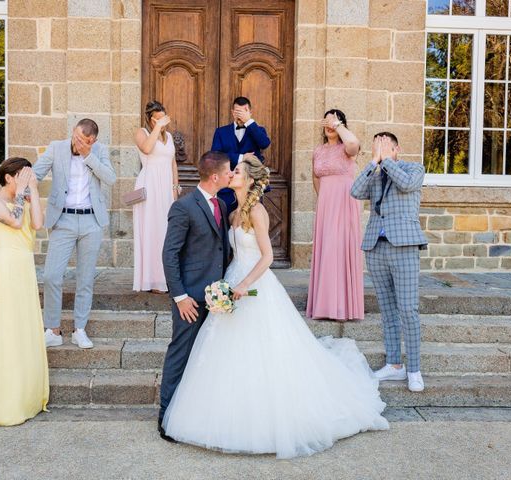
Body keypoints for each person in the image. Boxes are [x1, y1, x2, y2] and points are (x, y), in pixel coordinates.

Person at [162, 154, 388, 459]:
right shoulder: (230, 210)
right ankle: (199, 413)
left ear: (250, 179)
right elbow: (199, 252)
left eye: (237, 171)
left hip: (253, 288)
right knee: (218, 352)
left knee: (264, 353)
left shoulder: (257, 211)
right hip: (226, 286)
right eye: (231, 171)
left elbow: (266, 258)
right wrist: (212, 289)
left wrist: (243, 286)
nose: (232, 174)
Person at [158, 151, 233, 442]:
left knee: (206, 357)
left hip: (216, 298)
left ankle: (196, 416)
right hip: (189, 298)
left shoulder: (223, 205)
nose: (231, 175)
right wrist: (179, 296)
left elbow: (220, 249)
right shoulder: (184, 207)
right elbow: (170, 254)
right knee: (181, 354)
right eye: (228, 172)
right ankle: (165, 418)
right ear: (215, 176)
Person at [351, 132, 428, 393]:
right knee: (387, 310)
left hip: (404, 246)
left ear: (396, 149)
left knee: (408, 309)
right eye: (377, 146)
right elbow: (355, 191)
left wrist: (388, 162)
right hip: (376, 247)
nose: (381, 151)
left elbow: (406, 184)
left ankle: (414, 369)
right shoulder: (375, 172)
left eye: (385, 146)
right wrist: (373, 162)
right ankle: (394, 365)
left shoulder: (413, 168)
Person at [33, 118, 117, 349]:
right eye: (79, 138)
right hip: (63, 219)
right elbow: (36, 174)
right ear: (73, 131)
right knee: (51, 275)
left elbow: (111, 178)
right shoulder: (56, 148)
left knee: (85, 277)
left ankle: (79, 329)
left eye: (87, 141)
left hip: (91, 220)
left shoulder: (99, 150)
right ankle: (53, 329)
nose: (81, 143)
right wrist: (18, 190)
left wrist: (89, 155)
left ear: (94, 140)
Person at [0, 157, 49, 426]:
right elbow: (15, 222)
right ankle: (8, 403)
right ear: (9, 177)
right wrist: (22, 194)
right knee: (8, 331)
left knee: (25, 330)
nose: (26, 180)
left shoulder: (27, 196)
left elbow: (37, 224)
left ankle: (28, 397)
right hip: (7, 268)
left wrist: (33, 191)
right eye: (22, 175)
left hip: (25, 269)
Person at [307, 109, 364, 321]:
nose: (329, 124)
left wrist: (338, 125)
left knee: (339, 247)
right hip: (326, 204)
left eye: (334, 120)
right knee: (326, 249)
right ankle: (324, 305)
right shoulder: (318, 150)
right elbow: (316, 178)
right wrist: (324, 201)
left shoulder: (347, 148)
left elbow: (353, 142)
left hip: (345, 202)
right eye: (327, 120)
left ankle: (342, 307)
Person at [133, 101, 180, 293]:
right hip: (149, 187)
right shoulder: (141, 133)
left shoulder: (168, 136)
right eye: (157, 119)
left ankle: (166, 277)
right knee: (151, 231)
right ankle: (152, 281)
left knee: (166, 232)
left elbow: (173, 163)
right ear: (150, 119)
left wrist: (175, 187)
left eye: (164, 118)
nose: (162, 122)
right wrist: (156, 128)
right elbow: (146, 149)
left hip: (166, 188)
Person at [211, 96, 271, 213]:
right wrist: (241, 157)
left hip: (251, 189)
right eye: (237, 112)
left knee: (251, 223)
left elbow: (264, 143)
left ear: (250, 112)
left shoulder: (258, 130)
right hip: (226, 188)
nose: (239, 115)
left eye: (243, 111)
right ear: (232, 112)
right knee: (226, 224)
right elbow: (216, 156)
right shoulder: (221, 132)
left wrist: (249, 121)